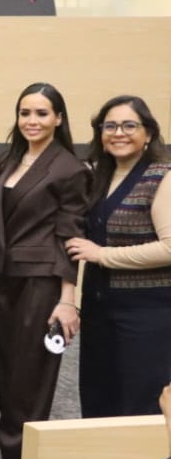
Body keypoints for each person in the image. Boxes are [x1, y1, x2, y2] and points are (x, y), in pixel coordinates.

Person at [0, 82, 88, 459]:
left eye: (42, 113)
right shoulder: (7, 160)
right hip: (2, 278)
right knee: (7, 374)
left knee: (32, 376)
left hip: (42, 281)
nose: (32, 121)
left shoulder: (69, 168)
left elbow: (70, 235)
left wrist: (67, 298)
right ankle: (21, 457)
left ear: (59, 118)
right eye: (25, 112)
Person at [67, 96, 171, 418]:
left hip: (146, 315)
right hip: (100, 311)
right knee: (99, 400)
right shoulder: (98, 175)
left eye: (130, 125)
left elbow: (170, 247)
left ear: (148, 133)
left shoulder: (162, 176)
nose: (118, 133)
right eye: (109, 126)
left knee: (140, 404)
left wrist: (103, 255)